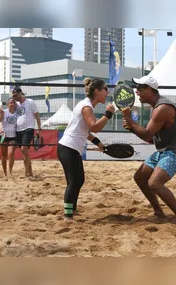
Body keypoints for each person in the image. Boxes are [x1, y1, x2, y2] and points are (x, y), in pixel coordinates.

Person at [122, 76, 176, 228]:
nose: (136, 91)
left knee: (154, 183)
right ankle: (159, 212)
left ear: (149, 89)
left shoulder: (162, 108)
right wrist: (132, 127)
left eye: (139, 88)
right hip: (164, 150)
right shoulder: (155, 108)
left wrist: (130, 120)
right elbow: (149, 138)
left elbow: (147, 134)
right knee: (140, 177)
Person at [57, 78, 115, 219]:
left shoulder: (87, 105)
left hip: (70, 148)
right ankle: (68, 215)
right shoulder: (86, 106)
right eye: (105, 89)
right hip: (68, 147)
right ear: (97, 91)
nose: (107, 92)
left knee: (79, 180)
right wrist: (108, 113)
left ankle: (72, 209)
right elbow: (94, 127)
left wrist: (98, 143)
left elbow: (86, 132)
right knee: (74, 181)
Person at [11, 87, 42, 177]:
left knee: (24, 149)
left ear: (21, 93)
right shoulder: (16, 105)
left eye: (15, 95)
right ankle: (30, 172)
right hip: (18, 130)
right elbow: (8, 110)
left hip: (29, 128)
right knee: (24, 153)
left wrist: (39, 128)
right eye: (13, 96)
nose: (14, 97)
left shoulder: (30, 102)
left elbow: (37, 115)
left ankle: (26, 173)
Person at [0, 98, 18, 176]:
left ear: (15, 105)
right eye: (10, 103)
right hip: (3, 136)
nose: (11, 104)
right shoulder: (4, 112)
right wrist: (0, 129)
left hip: (13, 136)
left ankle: (10, 171)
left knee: (11, 153)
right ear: (8, 104)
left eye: (13, 103)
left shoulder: (17, 113)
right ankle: (5, 172)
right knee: (4, 155)